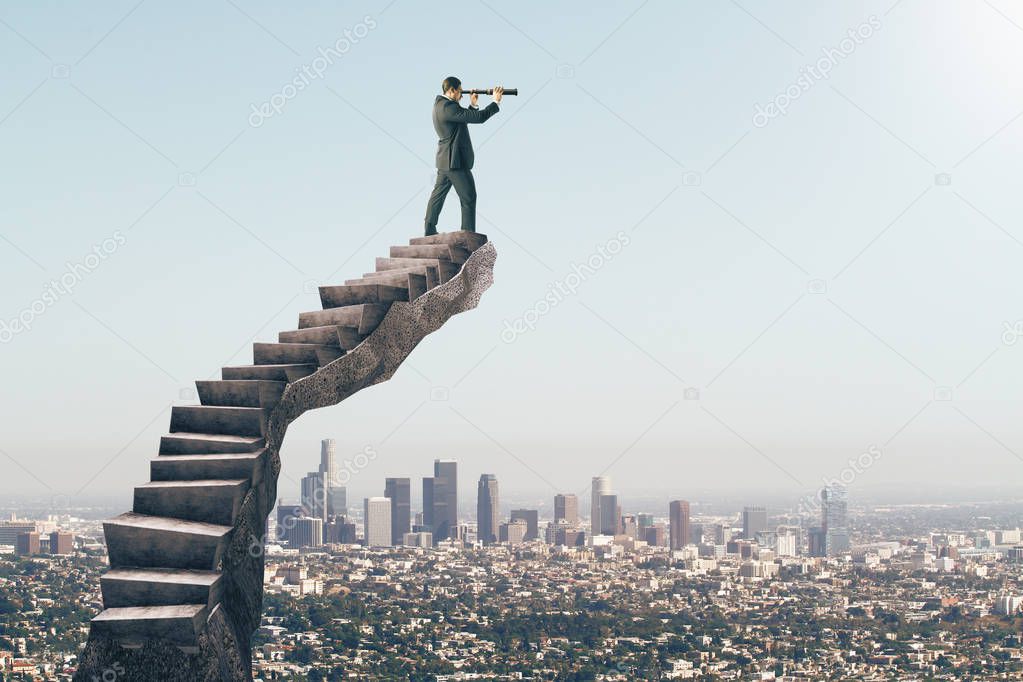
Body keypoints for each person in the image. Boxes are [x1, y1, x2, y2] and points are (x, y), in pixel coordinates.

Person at [423, 76, 503, 236]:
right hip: (455, 162)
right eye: (460, 91)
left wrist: (473, 105)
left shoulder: (441, 105)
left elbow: (462, 119)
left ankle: (429, 230)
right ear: (451, 90)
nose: (461, 94)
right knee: (468, 197)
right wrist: (496, 102)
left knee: (438, 196)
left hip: (445, 160)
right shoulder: (448, 107)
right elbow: (478, 118)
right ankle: (468, 234)